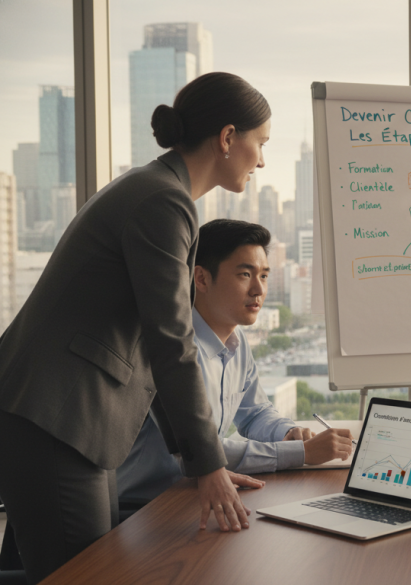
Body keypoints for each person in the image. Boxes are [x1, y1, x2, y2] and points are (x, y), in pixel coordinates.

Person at [0, 72, 271, 583]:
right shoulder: (163, 202)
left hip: (73, 419)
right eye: (260, 144)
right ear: (228, 138)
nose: (261, 159)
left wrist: (200, 460)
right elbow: (172, 339)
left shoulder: (157, 191)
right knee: (82, 576)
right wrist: (208, 465)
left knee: (98, 566)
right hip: (57, 414)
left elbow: (156, 339)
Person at [117, 220, 355, 502]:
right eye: (245, 274)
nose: (258, 290)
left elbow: (254, 413)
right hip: (149, 509)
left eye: (264, 276)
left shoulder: (236, 342)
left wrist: (288, 432)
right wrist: (302, 453)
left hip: (199, 498)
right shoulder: (172, 351)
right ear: (201, 278)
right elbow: (206, 451)